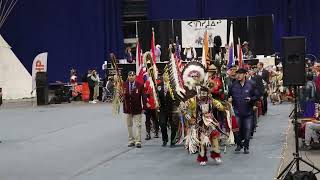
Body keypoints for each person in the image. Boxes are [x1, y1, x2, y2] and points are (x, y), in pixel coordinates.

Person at [228, 68, 259, 154]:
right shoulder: (232, 85)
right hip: (237, 111)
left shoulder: (251, 84)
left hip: (248, 112)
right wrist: (229, 99)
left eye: (240, 74)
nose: (238, 75)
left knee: (248, 130)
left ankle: (246, 146)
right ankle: (239, 144)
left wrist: (251, 99)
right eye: (237, 74)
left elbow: (257, 95)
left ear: (245, 74)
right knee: (236, 130)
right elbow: (229, 96)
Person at [122, 71, 146, 148]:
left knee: (138, 125)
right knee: (129, 125)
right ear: (128, 76)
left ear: (135, 76)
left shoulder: (140, 85)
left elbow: (143, 97)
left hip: (137, 108)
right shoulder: (124, 85)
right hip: (128, 108)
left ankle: (138, 141)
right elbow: (121, 96)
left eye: (132, 75)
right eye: (130, 75)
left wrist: (144, 106)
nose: (131, 77)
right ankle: (131, 140)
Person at [158, 75, 178, 147]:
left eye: (168, 76)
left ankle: (173, 141)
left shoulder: (174, 86)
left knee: (174, 125)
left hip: (172, 108)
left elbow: (177, 96)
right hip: (163, 108)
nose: (166, 77)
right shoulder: (159, 86)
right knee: (162, 124)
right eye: (165, 76)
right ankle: (165, 139)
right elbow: (156, 96)